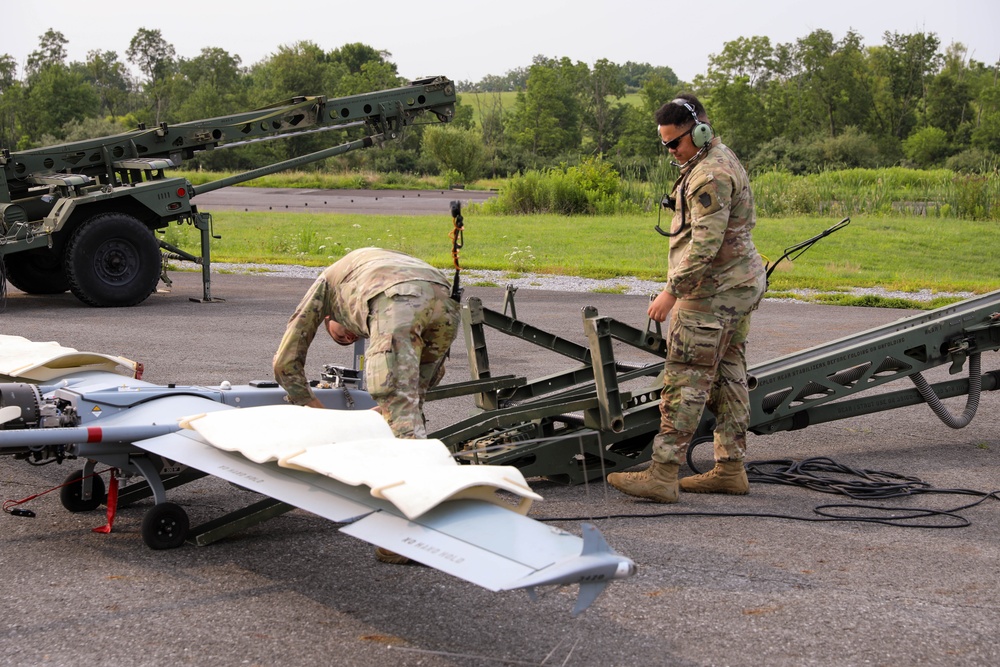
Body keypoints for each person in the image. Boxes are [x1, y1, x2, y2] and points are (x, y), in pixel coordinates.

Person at [607, 94, 767, 503]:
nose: (671, 152)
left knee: (685, 380)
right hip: (736, 288)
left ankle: (662, 475)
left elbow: (704, 247)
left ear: (699, 132)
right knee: (729, 374)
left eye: (675, 143)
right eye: (664, 145)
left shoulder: (709, 174)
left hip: (712, 293)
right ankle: (730, 470)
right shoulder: (715, 159)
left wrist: (670, 293)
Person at [273, 247, 460, 439]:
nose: (351, 337)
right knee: (408, 405)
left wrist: (315, 410)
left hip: (397, 294)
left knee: (395, 400)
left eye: (341, 337)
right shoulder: (357, 277)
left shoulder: (327, 283)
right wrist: (383, 410)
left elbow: (285, 363)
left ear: (327, 317)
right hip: (445, 297)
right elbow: (426, 378)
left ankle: (409, 465)